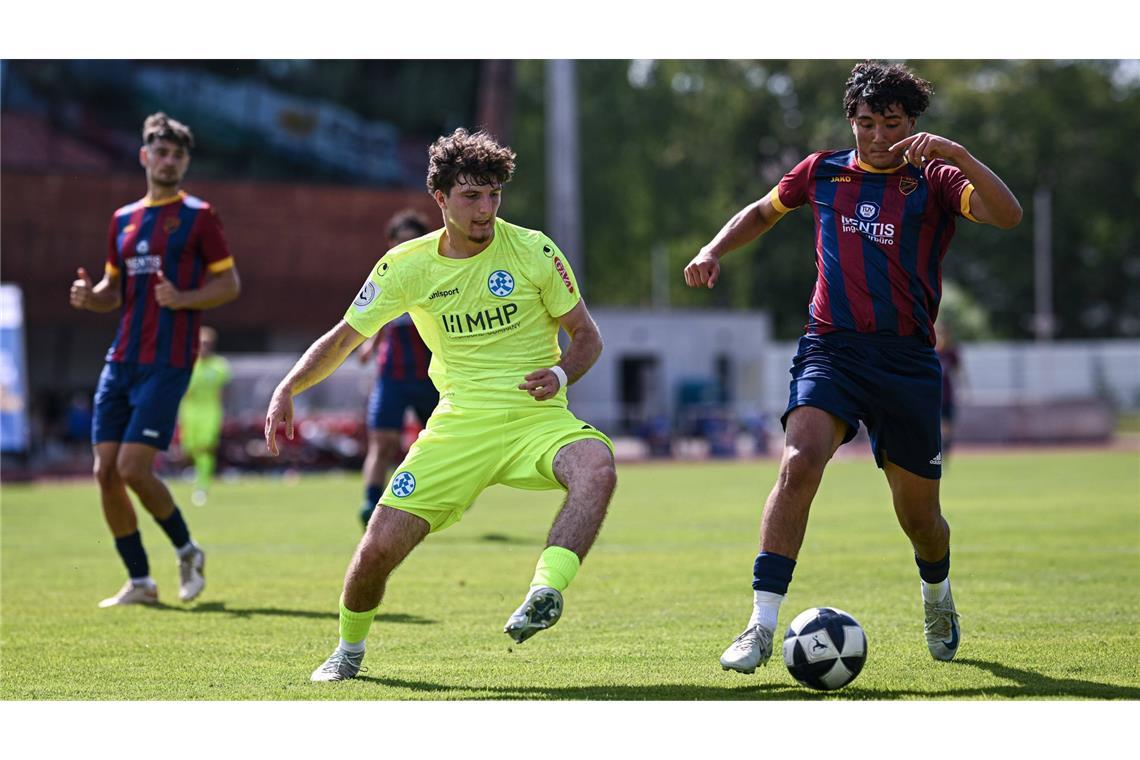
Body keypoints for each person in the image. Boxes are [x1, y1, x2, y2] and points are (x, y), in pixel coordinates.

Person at [683, 61, 1021, 673]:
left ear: (913, 123)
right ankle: (760, 626)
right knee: (798, 464)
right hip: (831, 347)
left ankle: (937, 595)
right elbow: (762, 211)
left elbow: (1007, 215)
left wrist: (961, 155)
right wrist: (713, 248)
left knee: (921, 520)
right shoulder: (822, 171)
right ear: (852, 122)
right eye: (867, 123)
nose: (878, 136)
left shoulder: (938, 181)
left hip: (907, 361)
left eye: (892, 123)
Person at [264, 128, 617, 682]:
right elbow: (343, 338)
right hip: (460, 425)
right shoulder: (405, 266)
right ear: (441, 199)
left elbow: (587, 337)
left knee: (597, 467)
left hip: (536, 419)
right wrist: (288, 388)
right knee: (377, 547)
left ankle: (545, 591)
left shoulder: (534, 250)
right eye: (472, 196)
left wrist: (558, 371)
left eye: (494, 195)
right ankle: (348, 651)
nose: (486, 209)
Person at [70, 112, 241, 607]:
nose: (169, 161)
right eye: (161, 152)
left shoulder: (200, 216)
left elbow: (229, 284)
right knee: (104, 473)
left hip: (168, 361)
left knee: (131, 467)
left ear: (185, 162)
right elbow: (112, 292)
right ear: (145, 156)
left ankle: (187, 550)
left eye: (179, 154)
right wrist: (90, 296)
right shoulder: (121, 220)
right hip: (120, 359)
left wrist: (183, 298)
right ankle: (141, 581)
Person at [355, 209, 439, 529]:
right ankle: (370, 503)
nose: (406, 248)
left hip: (429, 376)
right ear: (391, 243)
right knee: (383, 441)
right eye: (401, 242)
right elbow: (374, 316)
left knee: (437, 445)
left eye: (413, 242)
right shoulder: (384, 278)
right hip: (392, 375)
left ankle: (439, 496)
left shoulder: (436, 277)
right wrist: (369, 345)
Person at [178, 325, 232, 506]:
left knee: (205, 447)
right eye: (200, 343)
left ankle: (202, 486)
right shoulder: (188, 365)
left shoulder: (219, 366)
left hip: (210, 411)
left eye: (207, 343)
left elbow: (224, 392)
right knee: (189, 448)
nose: (204, 347)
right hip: (190, 411)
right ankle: (199, 474)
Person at [935, 320, 963, 463]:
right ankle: (938, 456)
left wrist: (964, 389)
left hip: (948, 395)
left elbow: (958, 371)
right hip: (935, 396)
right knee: (938, 428)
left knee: (948, 428)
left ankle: (945, 456)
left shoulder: (951, 352)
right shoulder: (933, 352)